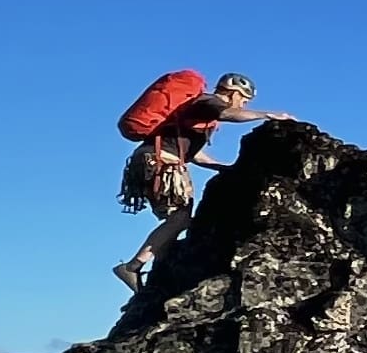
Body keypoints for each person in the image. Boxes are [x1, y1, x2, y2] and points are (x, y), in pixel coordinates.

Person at [114, 74, 277, 289]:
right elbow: (230, 113)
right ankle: (132, 267)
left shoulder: (200, 113)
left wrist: (221, 167)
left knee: (174, 218)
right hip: (162, 162)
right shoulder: (208, 101)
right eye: (244, 100)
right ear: (234, 93)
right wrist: (267, 115)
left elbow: (194, 154)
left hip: (152, 161)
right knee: (180, 218)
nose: (243, 104)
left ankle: (159, 274)